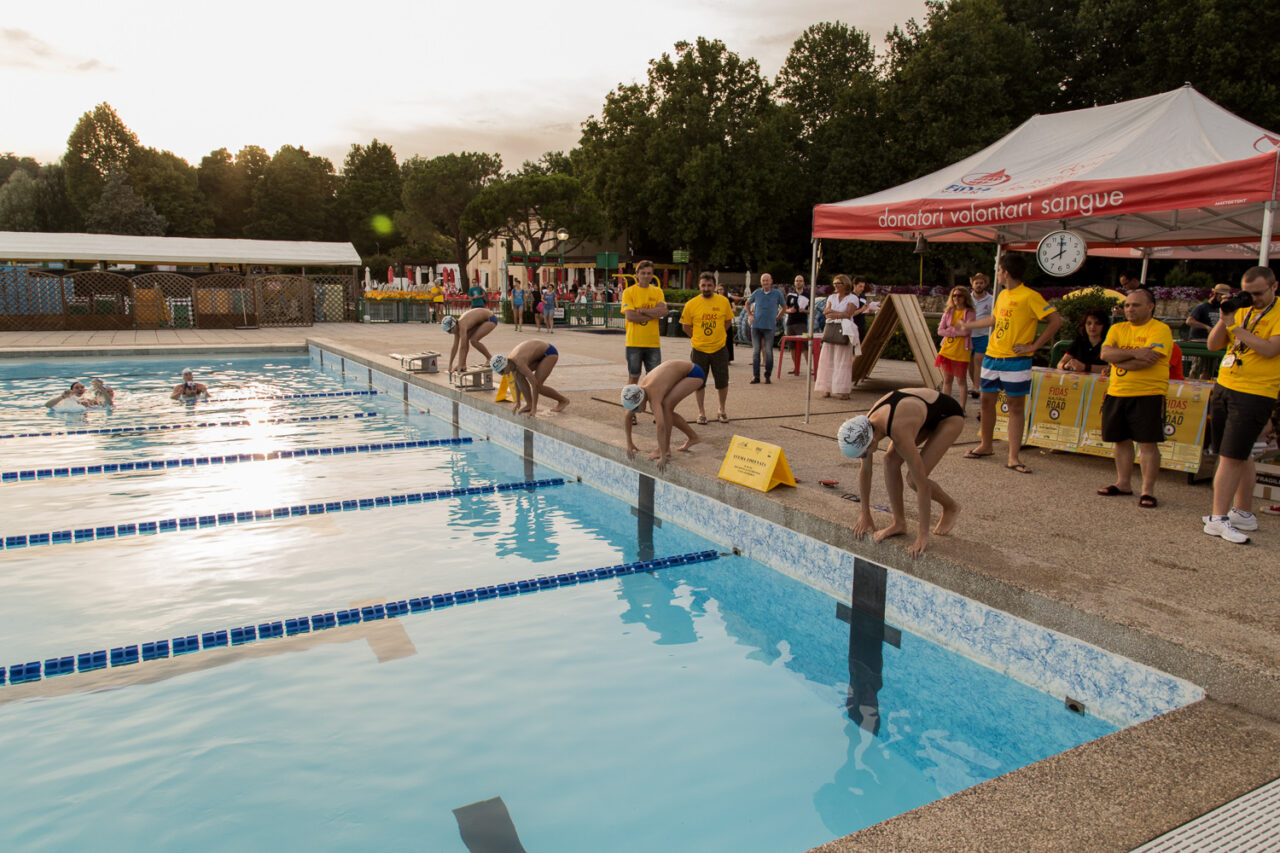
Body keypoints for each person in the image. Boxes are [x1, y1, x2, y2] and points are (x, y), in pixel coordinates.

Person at [958, 252, 1063, 473]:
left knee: (1015, 408)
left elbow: (1055, 320)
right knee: (986, 403)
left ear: (1005, 272)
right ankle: (986, 445)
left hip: (1016, 360)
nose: (996, 275)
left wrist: (1034, 346)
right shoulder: (1003, 295)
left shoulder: (1029, 296)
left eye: (998, 271)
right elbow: (995, 320)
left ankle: (1014, 457)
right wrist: (969, 326)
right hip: (992, 356)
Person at [838, 387, 965, 558]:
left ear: (872, 440)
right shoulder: (864, 427)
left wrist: (922, 535)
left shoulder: (898, 429)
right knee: (889, 461)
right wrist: (865, 513)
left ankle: (951, 506)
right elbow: (866, 471)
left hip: (948, 417)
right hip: (923, 415)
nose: (864, 457)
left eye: (864, 453)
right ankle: (899, 523)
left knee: (914, 479)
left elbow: (923, 485)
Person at [1203, 266, 1280, 543]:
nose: (1254, 298)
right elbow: (1213, 345)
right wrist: (1226, 319)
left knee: (1231, 457)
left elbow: (1271, 349)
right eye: (1248, 293)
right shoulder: (1242, 310)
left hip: (1255, 392)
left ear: (1274, 286)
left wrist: (1236, 327)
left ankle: (1217, 519)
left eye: (1259, 293)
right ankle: (1242, 512)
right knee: (1239, 452)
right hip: (1226, 385)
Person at [1097, 287, 1174, 507]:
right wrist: (1134, 353)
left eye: (1135, 305)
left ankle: (1147, 491)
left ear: (1150, 307)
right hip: (1117, 392)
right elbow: (1105, 354)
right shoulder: (1117, 328)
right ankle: (1123, 483)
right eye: (1127, 305)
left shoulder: (1160, 329)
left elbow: (1148, 360)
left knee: (1147, 443)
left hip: (1148, 393)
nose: (1129, 309)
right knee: (1120, 440)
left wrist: (1118, 360)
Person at [621, 360, 704, 472]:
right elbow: (627, 417)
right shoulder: (639, 391)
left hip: (694, 373)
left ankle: (666, 449)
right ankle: (693, 438)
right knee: (666, 408)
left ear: (640, 400)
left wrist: (663, 455)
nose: (636, 412)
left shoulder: (653, 394)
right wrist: (629, 443)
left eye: (636, 408)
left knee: (666, 406)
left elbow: (660, 426)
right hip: (681, 371)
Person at [680, 271, 735, 424]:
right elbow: (685, 326)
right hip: (699, 350)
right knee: (698, 381)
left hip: (719, 349)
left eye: (709, 285)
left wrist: (718, 335)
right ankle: (701, 412)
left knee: (722, 381)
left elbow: (728, 321)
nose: (706, 288)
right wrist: (697, 338)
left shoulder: (723, 302)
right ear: (699, 286)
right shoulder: (691, 304)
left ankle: (722, 410)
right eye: (703, 285)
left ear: (715, 286)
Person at [490, 339, 569, 417]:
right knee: (518, 376)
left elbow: (535, 384)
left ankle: (563, 400)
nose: (502, 374)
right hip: (537, 356)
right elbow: (516, 383)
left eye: (502, 371)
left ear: (505, 364)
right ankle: (529, 404)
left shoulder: (519, 362)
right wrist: (518, 402)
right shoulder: (511, 364)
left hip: (549, 353)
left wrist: (534, 409)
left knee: (539, 386)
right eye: (500, 372)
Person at [815, 274, 862, 400]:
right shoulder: (832, 297)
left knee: (842, 360)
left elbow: (848, 314)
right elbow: (826, 311)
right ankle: (826, 388)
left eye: (838, 283)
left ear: (845, 285)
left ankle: (843, 390)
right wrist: (835, 314)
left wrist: (834, 314)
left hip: (844, 329)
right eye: (834, 283)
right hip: (831, 328)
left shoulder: (852, 298)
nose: (835, 286)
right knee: (827, 359)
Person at [621, 260, 667, 388]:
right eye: (643, 273)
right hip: (634, 342)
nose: (646, 276)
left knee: (654, 378)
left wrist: (643, 311)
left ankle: (653, 404)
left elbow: (663, 311)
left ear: (652, 275)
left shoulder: (657, 291)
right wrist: (653, 313)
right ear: (637, 274)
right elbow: (630, 316)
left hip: (653, 343)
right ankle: (630, 404)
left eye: (649, 273)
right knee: (633, 376)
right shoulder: (629, 292)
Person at [934, 286, 975, 410]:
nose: (956, 298)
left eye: (960, 295)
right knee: (947, 380)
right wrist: (954, 331)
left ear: (965, 298)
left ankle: (961, 407)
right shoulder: (948, 312)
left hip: (961, 350)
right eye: (954, 295)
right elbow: (940, 331)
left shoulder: (970, 312)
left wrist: (950, 330)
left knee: (961, 381)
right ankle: (946, 406)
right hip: (947, 349)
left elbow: (966, 331)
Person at [746, 273, 786, 384]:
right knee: (756, 351)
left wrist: (777, 317)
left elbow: (784, 307)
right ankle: (756, 376)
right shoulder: (757, 292)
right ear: (761, 282)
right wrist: (749, 315)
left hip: (769, 327)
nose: (765, 282)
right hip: (756, 326)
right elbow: (747, 303)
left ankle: (767, 375)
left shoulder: (777, 293)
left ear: (771, 281)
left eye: (767, 280)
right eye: (763, 280)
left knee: (768, 351)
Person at [443, 308, 498, 373]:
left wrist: (459, 364)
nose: (450, 333)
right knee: (466, 339)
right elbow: (455, 347)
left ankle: (490, 358)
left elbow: (462, 347)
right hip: (481, 320)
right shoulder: (457, 327)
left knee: (473, 340)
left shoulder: (462, 325)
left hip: (490, 319)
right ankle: (463, 364)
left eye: (450, 331)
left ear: (453, 326)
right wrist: (450, 365)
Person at [967, 272, 994, 398]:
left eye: (981, 283)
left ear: (985, 284)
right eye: (976, 283)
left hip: (982, 335)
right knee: (970, 363)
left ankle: (976, 387)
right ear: (972, 284)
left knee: (979, 360)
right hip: (968, 335)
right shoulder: (968, 298)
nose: (978, 285)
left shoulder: (991, 299)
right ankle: (975, 384)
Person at [1057, 309, 1111, 373]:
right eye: (1089, 323)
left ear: (1104, 326)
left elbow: (1111, 368)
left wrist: (1085, 367)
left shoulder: (1109, 343)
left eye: (1097, 323)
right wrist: (1065, 366)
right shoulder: (1079, 341)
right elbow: (1060, 363)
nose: (1092, 326)